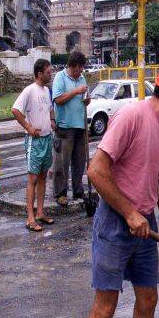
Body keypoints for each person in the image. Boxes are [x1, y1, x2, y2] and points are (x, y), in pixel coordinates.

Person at [87, 59, 159, 318]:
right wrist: (129, 213)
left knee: (148, 298)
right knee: (106, 304)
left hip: (145, 226)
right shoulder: (132, 116)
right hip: (115, 221)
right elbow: (96, 170)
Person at [12, 59, 55, 232]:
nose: (50, 74)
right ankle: (30, 218)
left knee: (43, 177)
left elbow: (50, 108)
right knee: (33, 178)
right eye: (48, 71)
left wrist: (52, 120)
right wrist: (28, 127)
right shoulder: (29, 90)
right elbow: (15, 110)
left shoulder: (46, 91)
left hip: (46, 138)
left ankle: (40, 213)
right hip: (34, 142)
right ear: (39, 73)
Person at [52, 50, 91, 207]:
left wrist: (86, 100)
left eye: (81, 69)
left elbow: (83, 98)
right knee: (62, 162)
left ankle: (77, 189)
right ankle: (60, 193)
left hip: (80, 125)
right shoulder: (60, 77)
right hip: (65, 126)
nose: (80, 72)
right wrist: (76, 91)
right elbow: (58, 99)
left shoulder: (82, 78)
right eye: (78, 69)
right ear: (72, 66)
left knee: (79, 161)